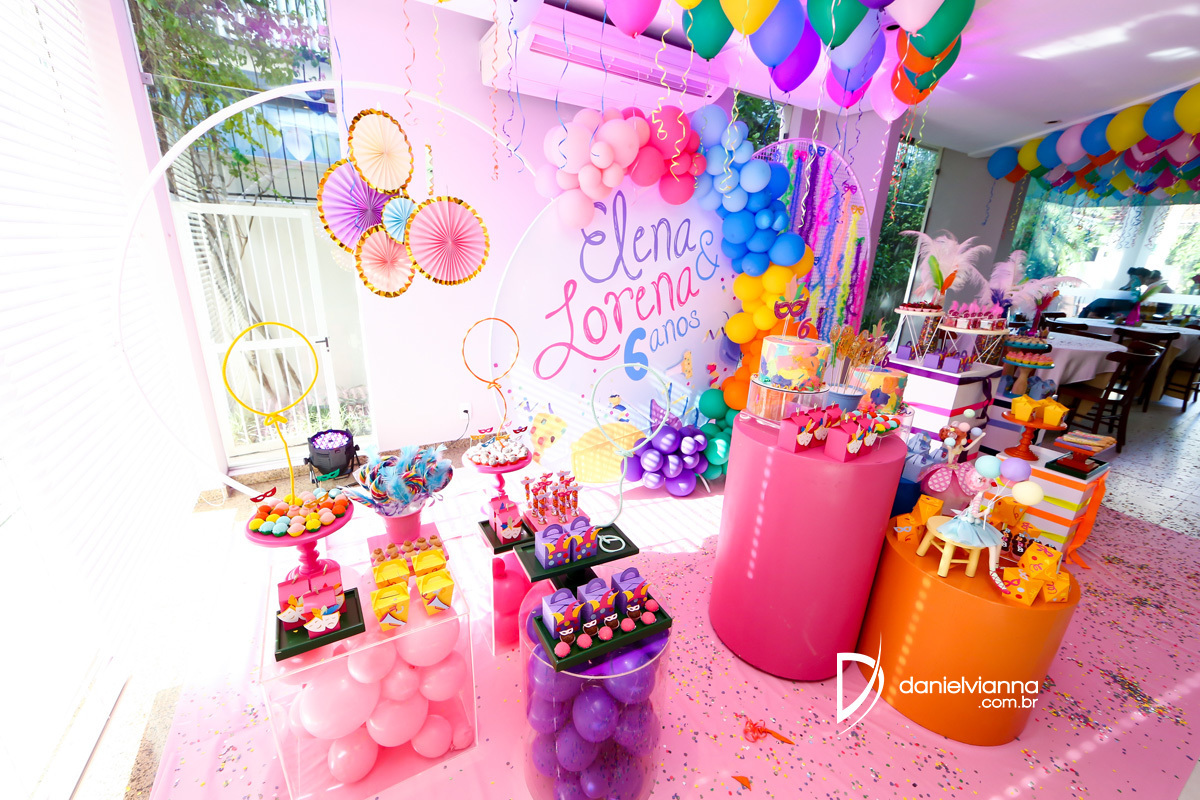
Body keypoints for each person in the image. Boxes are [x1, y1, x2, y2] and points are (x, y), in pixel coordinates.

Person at [1080, 267, 1147, 318]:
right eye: (1147, 278)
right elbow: (1091, 316)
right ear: (1140, 277)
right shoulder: (1120, 296)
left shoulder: (1125, 292)